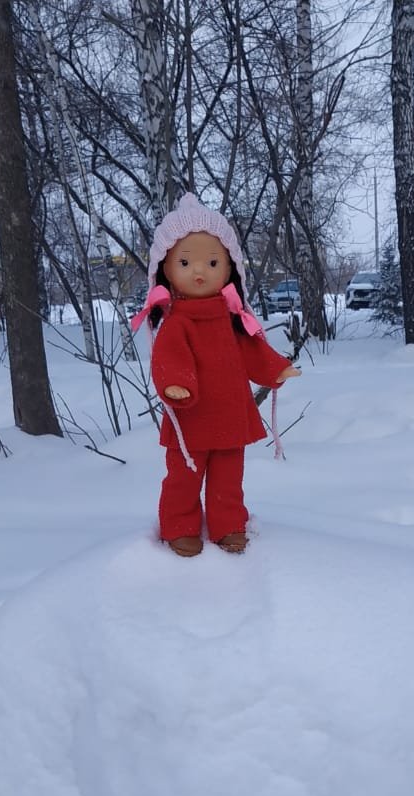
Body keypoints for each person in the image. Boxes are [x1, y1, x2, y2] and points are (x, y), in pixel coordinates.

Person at [131, 193, 301, 557]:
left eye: (212, 262)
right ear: (166, 270)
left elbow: (252, 349)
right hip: (190, 419)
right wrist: (176, 384)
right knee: (183, 477)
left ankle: (229, 525)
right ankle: (179, 525)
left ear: (229, 268)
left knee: (228, 479)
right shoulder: (177, 323)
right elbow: (169, 358)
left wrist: (275, 368)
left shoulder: (232, 319)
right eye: (185, 262)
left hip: (229, 417)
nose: (200, 271)